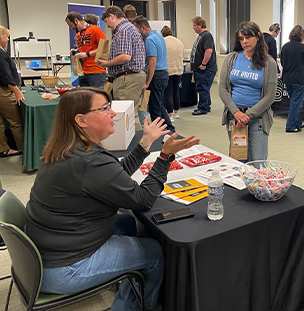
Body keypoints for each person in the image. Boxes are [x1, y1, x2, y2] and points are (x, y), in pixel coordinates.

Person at [25, 87, 199, 311]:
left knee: (130, 223)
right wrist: (165, 157)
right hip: (65, 268)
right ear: (81, 120)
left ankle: (130, 290)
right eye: (105, 109)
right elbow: (144, 199)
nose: (113, 113)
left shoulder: (66, 147)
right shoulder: (90, 161)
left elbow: (115, 174)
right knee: (154, 252)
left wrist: (145, 143)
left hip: (45, 254)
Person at [219, 21, 278, 161]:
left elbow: (270, 96)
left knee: (257, 163)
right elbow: (222, 89)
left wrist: (247, 116)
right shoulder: (232, 58)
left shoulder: (269, 64)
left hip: (258, 120)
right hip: (234, 117)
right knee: (239, 162)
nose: (244, 42)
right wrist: (236, 113)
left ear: (258, 36)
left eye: (248, 37)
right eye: (241, 38)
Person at [97, 6, 146, 131]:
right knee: (131, 112)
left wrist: (107, 64)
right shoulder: (129, 28)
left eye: (107, 21)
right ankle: (138, 144)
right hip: (132, 76)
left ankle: (136, 146)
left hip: (127, 78)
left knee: (127, 114)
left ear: (112, 16)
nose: (107, 25)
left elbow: (125, 57)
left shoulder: (123, 30)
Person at [132, 16, 174, 133]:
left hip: (156, 75)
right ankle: (169, 129)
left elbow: (152, 62)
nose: (136, 32)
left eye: (137, 29)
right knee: (159, 105)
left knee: (155, 108)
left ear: (143, 27)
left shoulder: (149, 40)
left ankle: (158, 133)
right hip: (163, 74)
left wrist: (147, 82)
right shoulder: (159, 36)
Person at [281, 25, 304, 133]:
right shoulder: (302, 47)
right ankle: (290, 126)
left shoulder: (285, 46)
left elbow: (283, 63)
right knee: (296, 103)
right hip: (298, 79)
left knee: (294, 101)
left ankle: (297, 122)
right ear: (302, 36)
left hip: (287, 78)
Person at [65, 11, 107, 88]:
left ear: (76, 20)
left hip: (96, 71)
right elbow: (84, 49)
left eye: (71, 25)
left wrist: (87, 54)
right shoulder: (78, 35)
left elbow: (104, 48)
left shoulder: (96, 30)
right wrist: (75, 52)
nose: (72, 28)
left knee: (96, 98)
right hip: (83, 72)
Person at [0, 25, 23, 157]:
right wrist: (17, 91)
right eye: (6, 36)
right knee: (15, 122)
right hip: (4, 92)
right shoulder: (1, 54)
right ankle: (22, 149)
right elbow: (6, 76)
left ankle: (3, 149)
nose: (8, 39)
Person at [190, 16, 217, 115]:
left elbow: (208, 50)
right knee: (203, 87)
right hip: (200, 68)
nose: (193, 28)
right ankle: (206, 105)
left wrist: (203, 64)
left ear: (200, 25)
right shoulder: (201, 36)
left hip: (205, 68)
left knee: (203, 88)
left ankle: (203, 108)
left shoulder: (206, 36)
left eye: (194, 25)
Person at [161, 26, 184, 122]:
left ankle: (169, 114)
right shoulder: (179, 42)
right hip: (178, 69)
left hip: (167, 70)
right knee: (176, 91)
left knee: (168, 92)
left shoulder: (163, 41)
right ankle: (176, 112)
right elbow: (182, 55)